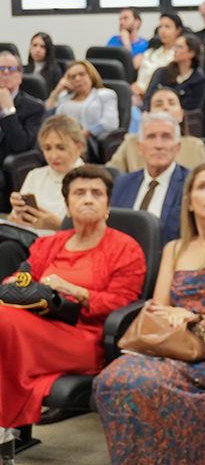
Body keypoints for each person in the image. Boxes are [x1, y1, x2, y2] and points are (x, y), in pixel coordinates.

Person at [94, 161, 205, 465]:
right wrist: (172, 315)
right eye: (203, 187)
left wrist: (197, 318)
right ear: (189, 201)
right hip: (170, 342)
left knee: (146, 384)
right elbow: (158, 305)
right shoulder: (174, 247)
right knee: (112, 380)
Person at [0, 165, 145, 433]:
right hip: (39, 326)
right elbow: (25, 275)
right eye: (79, 193)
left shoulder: (125, 248)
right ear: (67, 205)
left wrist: (78, 292)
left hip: (87, 336)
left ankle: (4, 429)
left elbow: (124, 305)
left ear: (107, 205)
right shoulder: (50, 243)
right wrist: (14, 282)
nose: (88, 199)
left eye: (96, 193)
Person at [0, 115, 86, 278]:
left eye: (61, 148)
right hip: (29, 245)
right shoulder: (35, 175)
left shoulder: (89, 180)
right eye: (47, 148)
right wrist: (17, 215)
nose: (53, 156)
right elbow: (14, 223)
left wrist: (57, 226)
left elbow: (94, 234)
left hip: (67, 250)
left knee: (8, 251)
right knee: (8, 248)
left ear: (78, 147)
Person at [110, 112, 190, 244]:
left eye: (166, 137)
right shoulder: (121, 185)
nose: (158, 145)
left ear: (177, 148)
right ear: (140, 148)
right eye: (151, 137)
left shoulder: (190, 185)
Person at [108, 88, 205, 172]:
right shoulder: (131, 142)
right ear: (149, 113)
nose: (165, 107)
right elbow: (112, 174)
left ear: (181, 114)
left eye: (171, 103)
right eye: (158, 104)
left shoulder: (196, 146)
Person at [46, 60, 119, 139]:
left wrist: (86, 133)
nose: (77, 79)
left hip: (86, 139)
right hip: (60, 137)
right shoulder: (64, 96)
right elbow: (46, 115)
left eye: (82, 74)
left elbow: (110, 122)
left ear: (91, 76)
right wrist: (57, 91)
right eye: (73, 77)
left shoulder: (105, 94)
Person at [0, 51, 46, 169]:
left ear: (20, 77)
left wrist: (8, 110)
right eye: (1, 68)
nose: (5, 72)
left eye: (11, 69)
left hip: (7, 164)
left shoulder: (35, 108)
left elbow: (20, 146)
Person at [141, 34, 205, 112]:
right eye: (174, 47)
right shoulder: (162, 72)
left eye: (179, 47)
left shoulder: (198, 80)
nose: (175, 50)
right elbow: (148, 97)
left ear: (191, 53)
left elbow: (191, 108)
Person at [133, 13, 184, 101]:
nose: (162, 31)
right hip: (138, 96)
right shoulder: (150, 53)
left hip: (161, 97)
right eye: (161, 26)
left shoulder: (179, 56)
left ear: (178, 30)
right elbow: (140, 80)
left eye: (167, 27)